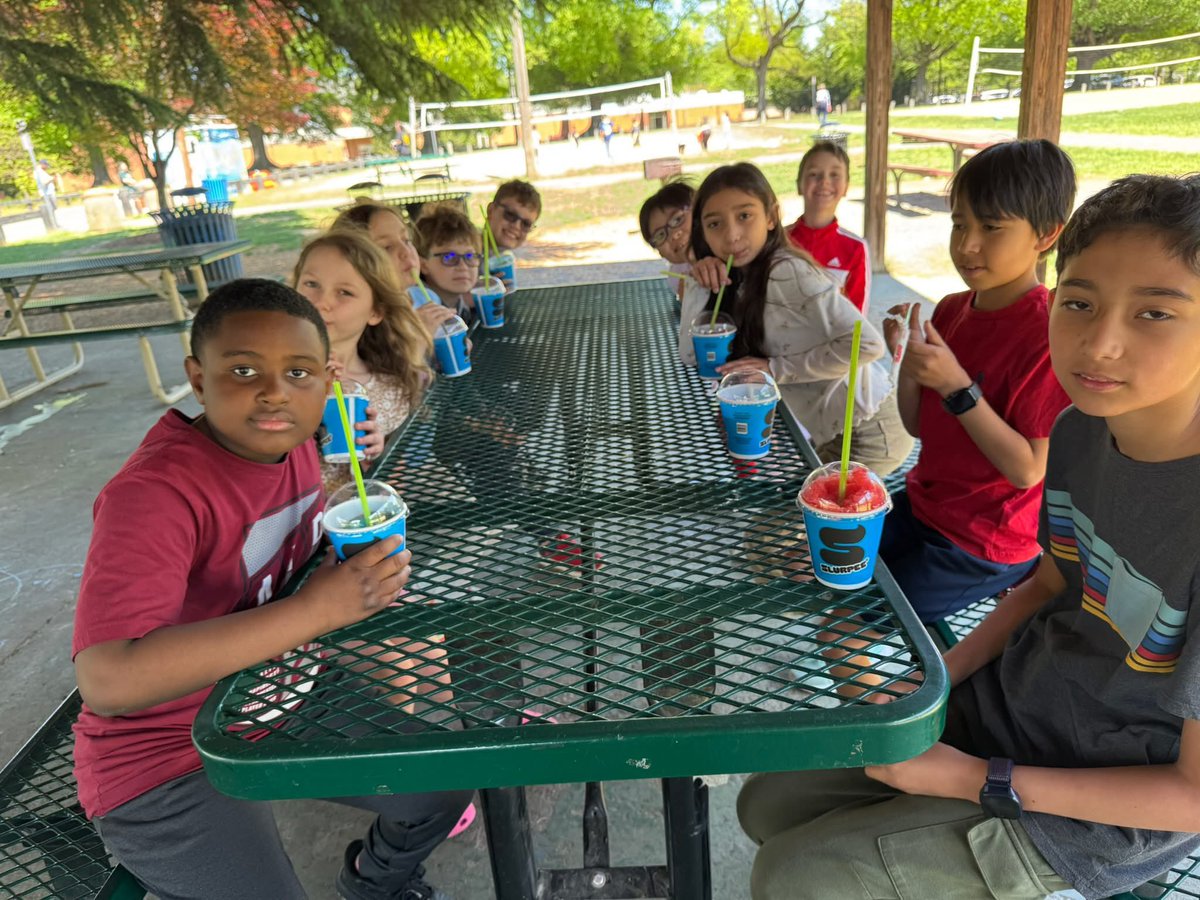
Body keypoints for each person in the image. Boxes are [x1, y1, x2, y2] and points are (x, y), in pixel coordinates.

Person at [738, 171, 1200, 900]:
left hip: (1096, 812)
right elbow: (1047, 583)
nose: (1099, 343)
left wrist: (975, 779)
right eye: (1079, 302)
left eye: (1154, 314)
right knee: (765, 802)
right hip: (1011, 706)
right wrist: (935, 681)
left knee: (794, 875)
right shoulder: (1082, 432)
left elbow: (1191, 796)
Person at [71, 278, 473, 900]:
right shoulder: (153, 496)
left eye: (299, 372)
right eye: (242, 369)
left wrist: (353, 575)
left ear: (327, 377)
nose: (274, 393)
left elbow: (289, 567)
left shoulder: (296, 450)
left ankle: (375, 882)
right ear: (198, 379)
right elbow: (109, 680)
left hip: (276, 695)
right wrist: (317, 609)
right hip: (164, 759)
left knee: (442, 782)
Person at [878, 139, 1076, 623]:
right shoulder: (950, 310)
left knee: (846, 622)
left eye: (991, 227)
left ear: (1046, 235)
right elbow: (919, 428)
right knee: (826, 558)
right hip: (925, 506)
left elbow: (1028, 470)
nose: (967, 245)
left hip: (984, 542)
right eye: (960, 224)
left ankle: (912, 700)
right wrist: (907, 363)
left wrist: (956, 387)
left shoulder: (1047, 334)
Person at [684, 162, 910, 476]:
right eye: (715, 224)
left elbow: (869, 345)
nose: (732, 234)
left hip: (869, 431)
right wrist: (698, 281)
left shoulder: (786, 271)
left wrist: (776, 369)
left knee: (787, 522)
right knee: (783, 509)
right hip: (831, 432)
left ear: (772, 216)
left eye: (744, 216)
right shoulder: (738, 277)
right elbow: (693, 355)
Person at [292, 229, 432, 494]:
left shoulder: (391, 389)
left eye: (344, 292)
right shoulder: (272, 377)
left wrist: (377, 453)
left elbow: (394, 477)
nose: (322, 303)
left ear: (376, 311)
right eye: (311, 284)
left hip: (353, 521)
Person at [331, 199, 458, 337]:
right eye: (387, 247)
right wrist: (418, 338)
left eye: (406, 240)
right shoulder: (369, 320)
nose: (406, 251)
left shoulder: (426, 297)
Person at [787, 140, 870, 314]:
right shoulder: (778, 240)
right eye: (814, 174)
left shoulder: (855, 248)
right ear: (799, 185)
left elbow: (857, 318)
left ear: (846, 186)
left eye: (834, 174)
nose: (824, 181)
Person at [414, 204, 483, 323]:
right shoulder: (419, 313)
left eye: (469, 256)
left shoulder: (459, 302)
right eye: (449, 257)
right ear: (423, 265)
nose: (463, 266)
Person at [639, 179, 694, 302]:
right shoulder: (678, 276)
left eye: (677, 219)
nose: (673, 235)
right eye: (660, 235)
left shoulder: (733, 253)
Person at [485, 179, 542, 253]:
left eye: (526, 224)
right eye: (510, 215)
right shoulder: (469, 252)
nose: (516, 226)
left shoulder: (511, 259)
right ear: (491, 210)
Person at [34, 158, 58, 229]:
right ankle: (52, 225)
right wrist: (51, 179)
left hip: (49, 192)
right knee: (50, 209)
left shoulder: (42, 172)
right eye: (46, 165)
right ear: (42, 164)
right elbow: (43, 182)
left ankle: (54, 224)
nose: (47, 167)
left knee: (53, 208)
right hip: (47, 193)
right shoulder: (38, 172)